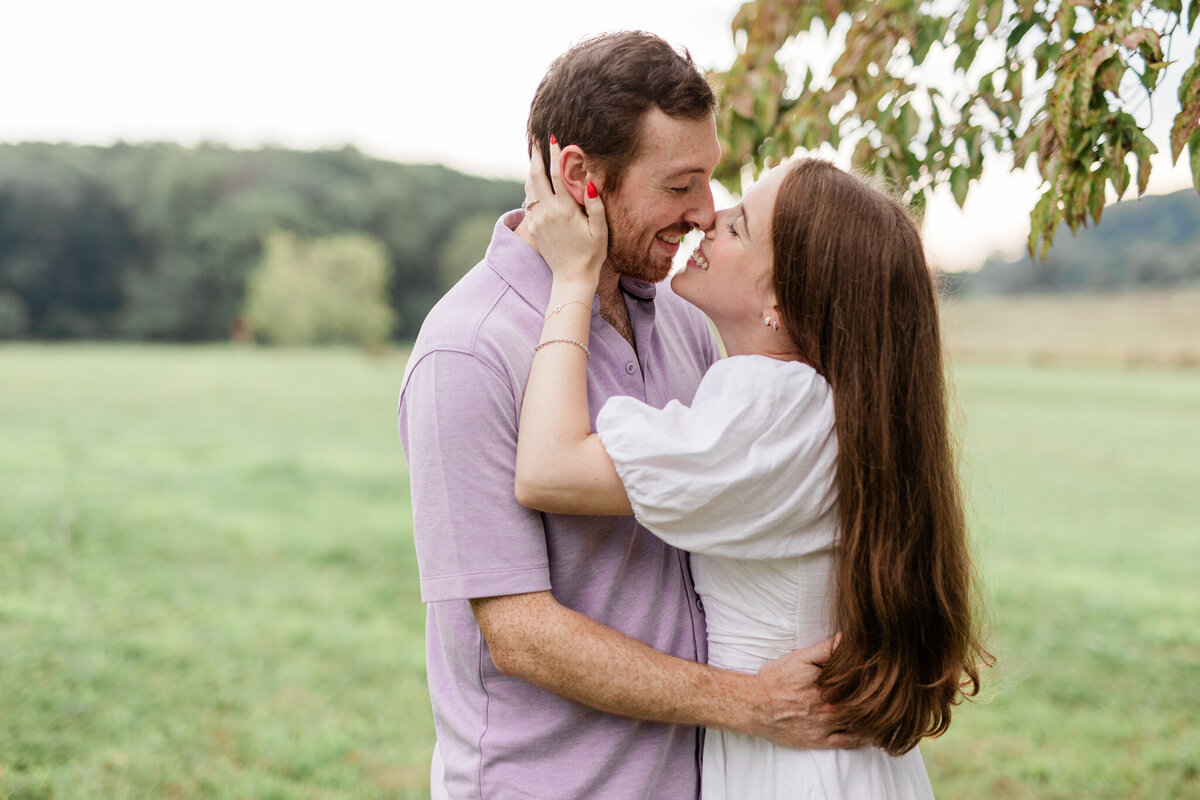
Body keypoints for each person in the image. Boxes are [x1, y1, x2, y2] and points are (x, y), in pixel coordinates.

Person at [397, 32, 849, 800]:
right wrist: (748, 703)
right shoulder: (469, 350)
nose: (706, 213)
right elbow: (520, 634)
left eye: (712, 181)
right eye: (680, 185)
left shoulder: (680, 316)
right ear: (580, 176)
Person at [514, 144, 992, 798]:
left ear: (779, 300)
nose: (709, 217)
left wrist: (572, 278)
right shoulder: (824, 401)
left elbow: (549, 470)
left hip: (791, 767)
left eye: (738, 224)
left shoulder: (771, 408)